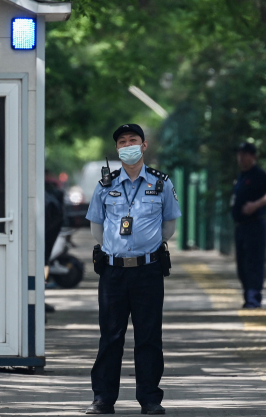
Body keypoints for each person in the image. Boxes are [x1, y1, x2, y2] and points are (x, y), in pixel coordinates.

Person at [85, 124, 181, 415]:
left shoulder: (161, 184)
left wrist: (145, 245)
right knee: (110, 337)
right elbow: (97, 229)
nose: (128, 145)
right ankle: (103, 399)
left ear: (143, 146)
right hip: (113, 272)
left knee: (149, 336)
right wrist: (118, 250)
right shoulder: (105, 185)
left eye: (133, 140)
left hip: (148, 271)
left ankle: (150, 399)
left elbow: (168, 227)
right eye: (122, 141)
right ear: (117, 149)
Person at [231, 142, 266, 308]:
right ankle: (247, 295)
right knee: (242, 263)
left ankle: (254, 297)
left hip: (254, 225)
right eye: (240, 154)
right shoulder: (241, 176)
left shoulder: (258, 174)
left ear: (253, 156)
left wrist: (256, 205)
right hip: (241, 226)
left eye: (245, 154)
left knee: (254, 262)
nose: (241, 157)